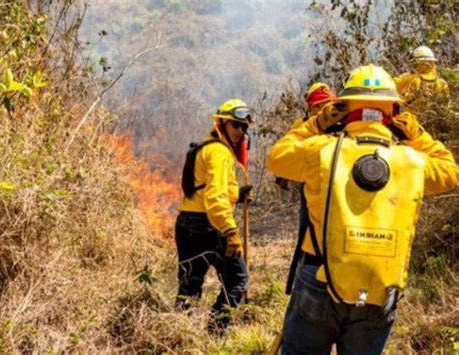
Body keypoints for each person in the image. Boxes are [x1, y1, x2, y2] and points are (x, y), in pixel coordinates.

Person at [267, 64, 458, 354]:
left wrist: (315, 124)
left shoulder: (320, 149)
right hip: (379, 289)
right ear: (394, 114)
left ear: (343, 109)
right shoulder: (412, 162)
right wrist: (416, 135)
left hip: (320, 278)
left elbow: (277, 158)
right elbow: (451, 173)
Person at [175, 98, 253, 335]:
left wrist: (236, 195)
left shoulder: (205, 147)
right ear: (221, 124)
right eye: (235, 125)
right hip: (210, 225)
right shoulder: (219, 153)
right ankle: (214, 333)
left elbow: (205, 189)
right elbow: (215, 198)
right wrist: (230, 232)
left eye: (244, 127)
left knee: (190, 285)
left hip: (186, 221)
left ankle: (179, 335)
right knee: (238, 281)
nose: (240, 131)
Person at [284, 82, 337, 295]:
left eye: (326, 104)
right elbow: (286, 153)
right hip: (311, 185)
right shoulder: (304, 125)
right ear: (310, 107)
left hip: (337, 184)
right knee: (309, 234)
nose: (322, 110)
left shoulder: (340, 123)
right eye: (318, 106)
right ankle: (300, 283)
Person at [394, 46, 449, 116]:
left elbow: (389, 86)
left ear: (416, 63)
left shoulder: (409, 78)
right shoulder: (442, 83)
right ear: (433, 62)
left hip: (411, 121)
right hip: (435, 122)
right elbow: (446, 105)